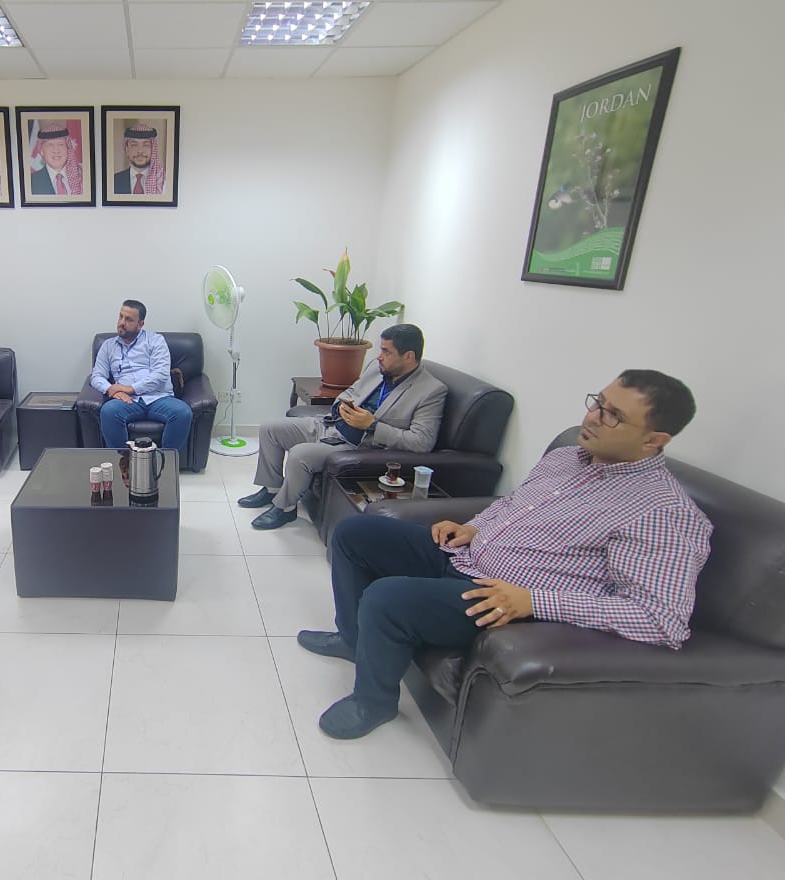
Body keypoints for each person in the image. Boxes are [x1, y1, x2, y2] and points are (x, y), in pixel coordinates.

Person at [297, 370, 712, 740]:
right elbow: (514, 504)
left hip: (503, 597)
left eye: (612, 416)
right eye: (597, 403)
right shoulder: (567, 457)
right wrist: (475, 526)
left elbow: (661, 618)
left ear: (654, 440)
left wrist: (534, 601)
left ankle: (373, 702)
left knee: (387, 597)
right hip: (466, 555)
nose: (592, 418)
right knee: (356, 532)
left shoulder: (662, 512)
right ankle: (351, 639)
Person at [239, 324, 447, 530]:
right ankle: (272, 490)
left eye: (386, 352)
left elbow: (421, 442)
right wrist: (341, 406)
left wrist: (372, 425)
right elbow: (351, 391)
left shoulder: (430, 391)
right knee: (270, 429)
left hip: (357, 445)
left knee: (300, 454)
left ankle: (285, 508)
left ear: (409, 356)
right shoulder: (377, 368)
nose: (379, 357)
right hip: (331, 426)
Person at [90, 300, 192, 452]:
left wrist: (129, 388)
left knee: (183, 413)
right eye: (121, 317)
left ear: (140, 324)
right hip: (128, 401)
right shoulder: (108, 346)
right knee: (108, 411)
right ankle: (124, 462)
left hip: (158, 398)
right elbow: (96, 376)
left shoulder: (155, 341)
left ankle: (165, 462)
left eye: (129, 319)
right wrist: (111, 389)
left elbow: (160, 375)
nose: (122, 323)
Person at [30, 121, 83, 196]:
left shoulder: (82, 176)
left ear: (68, 148)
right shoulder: (31, 182)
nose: (56, 150)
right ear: (42, 151)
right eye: (50, 145)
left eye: (60, 144)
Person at [112, 122, 166, 195]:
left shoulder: (163, 182)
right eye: (134, 145)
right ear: (127, 150)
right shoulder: (113, 181)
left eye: (146, 145)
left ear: (153, 149)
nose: (140, 151)